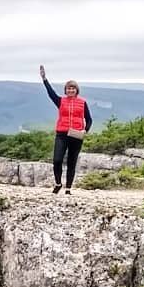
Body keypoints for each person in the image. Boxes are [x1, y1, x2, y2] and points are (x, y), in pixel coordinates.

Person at [39, 65, 92, 194]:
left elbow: (89, 119)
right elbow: (51, 93)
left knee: (71, 162)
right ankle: (58, 183)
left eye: (73, 88)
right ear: (65, 90)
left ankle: (68, 188)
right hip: (62, 134)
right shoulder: (60, 101)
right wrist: (44, 79)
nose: (71, 90)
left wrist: (85, 130)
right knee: (57, 160)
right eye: (69, 88)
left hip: (76, 135)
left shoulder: (82, 102)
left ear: (76, 90)